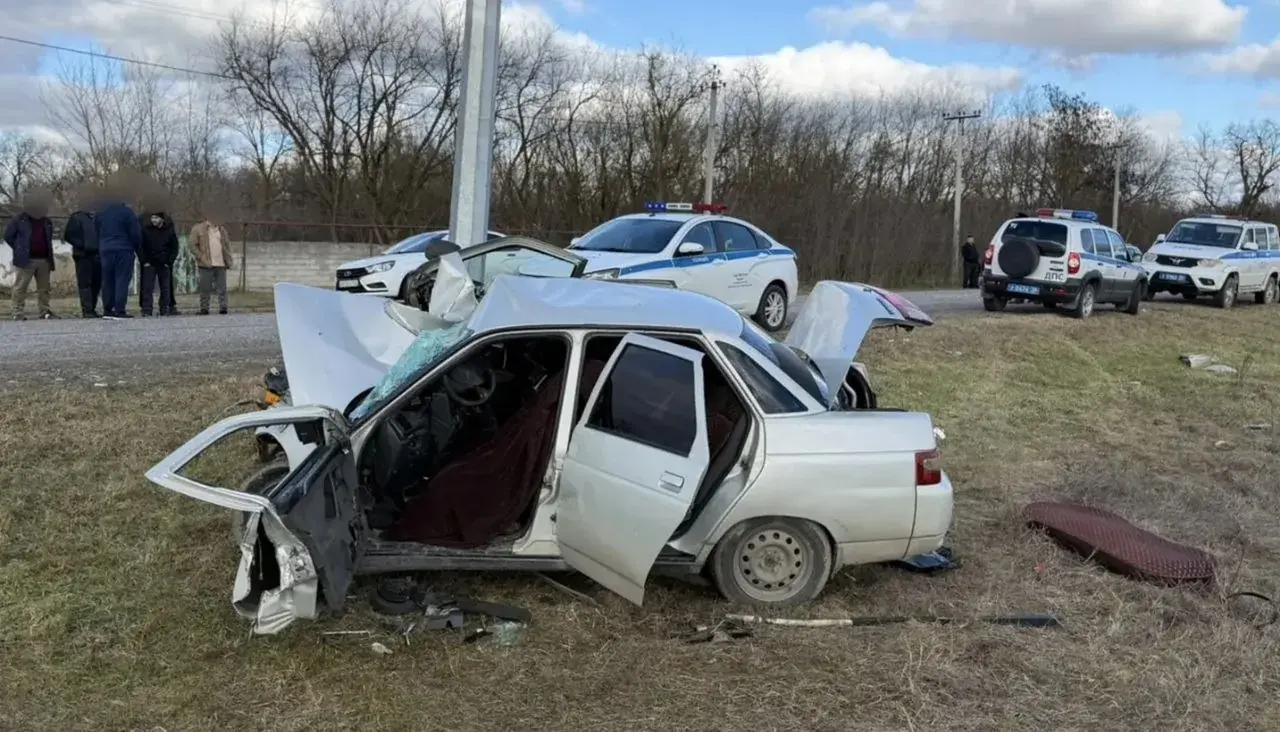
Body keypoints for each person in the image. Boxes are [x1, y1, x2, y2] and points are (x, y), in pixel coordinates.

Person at [3, 188, 57, 320]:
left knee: (44, 288)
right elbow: (8, 236)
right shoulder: (19, 219)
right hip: (25, 260)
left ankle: (45, 311)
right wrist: (19, 249)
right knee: (20, 288)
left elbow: (48, 238)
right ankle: (17, 312)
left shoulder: (46, 221)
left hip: (44, 259)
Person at [95, 180, 143, 320]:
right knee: (121, 278)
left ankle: (107, 309)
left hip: (105, 248)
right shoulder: (128, 213)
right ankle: (120, 310)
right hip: (123, 249)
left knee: (107, 279)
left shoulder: (101, 213)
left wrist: (102, 244)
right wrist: (135, 247)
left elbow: (96, 230)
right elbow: (135, 234)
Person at [64, 185, 102, 318]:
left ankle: (93, 307)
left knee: (96, 283)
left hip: (98, 255)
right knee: (85, 283)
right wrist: (83, 245)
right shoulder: (76, 218)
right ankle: (87, 310)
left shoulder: (98, 217)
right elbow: (68, 235)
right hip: (83, 255)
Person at [190, 215, 234, 315]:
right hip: (206, 264)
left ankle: (223, 307)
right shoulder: (198, 228)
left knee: (222, 287)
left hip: (221, 263)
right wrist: (201, 257)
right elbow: (192, 245)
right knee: (205, 288)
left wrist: (229, 259)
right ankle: (204, 308)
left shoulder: (222, 230)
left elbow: (227, 244)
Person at [138, 210, 179, 316]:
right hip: (150, 263)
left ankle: (164, 308)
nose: (154, 220)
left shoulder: (169, 230)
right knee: (147, 288)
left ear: (162, 219)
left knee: (165, 288)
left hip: (164, 263)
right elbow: (140, 247)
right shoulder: (146, 230)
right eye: (152, 218)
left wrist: (169, 261)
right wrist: (144, 261)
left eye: (156, 218)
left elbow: (174, 247)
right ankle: (147, 309)